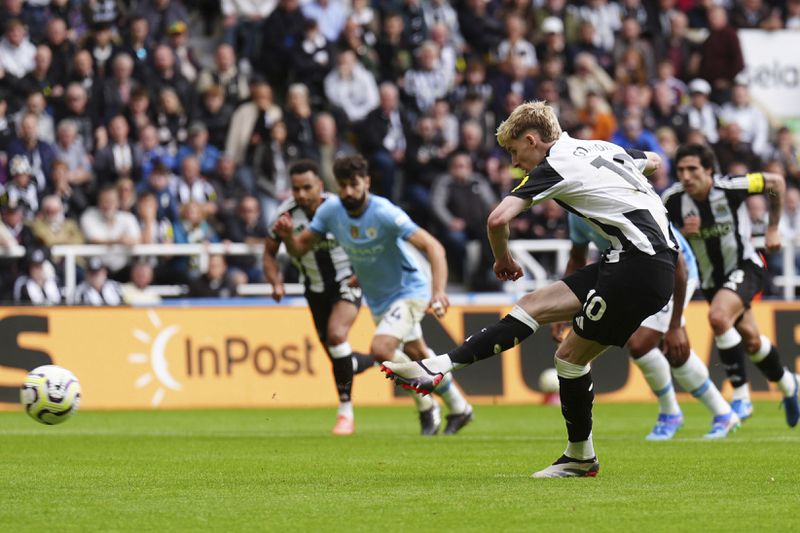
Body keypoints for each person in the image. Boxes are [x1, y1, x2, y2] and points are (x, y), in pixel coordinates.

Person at [382, 101, 677, 477]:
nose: (515, 163)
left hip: (638, 265)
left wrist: (502, 259)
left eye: (515, 151)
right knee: (532, 304)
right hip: (633, 259)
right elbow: (653, 160)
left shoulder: (556, 164)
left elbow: (497, 219)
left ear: (533, 140)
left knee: (570, 358)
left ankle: (580, 458)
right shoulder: (606, 147)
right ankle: (439, 366)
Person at [274, 154, 473, 436]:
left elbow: (434, 247)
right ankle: (460, 406)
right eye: (342, 185)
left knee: (381, 350)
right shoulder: (331, 212)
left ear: (366, 182)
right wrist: (286, 238)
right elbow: (300, 248)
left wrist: (438, 291)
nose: (348, 192)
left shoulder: (384, 212)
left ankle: (426, 403)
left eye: (354, 184)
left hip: (410, 289)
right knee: (418, 354)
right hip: (379, 296)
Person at [553, 213, 738, 439]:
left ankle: (671, 413)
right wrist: (560, 309)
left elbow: (677, 258)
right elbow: (577, 258)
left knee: (640, 343)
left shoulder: (612, 200)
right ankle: (723, 413)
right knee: (675, 353)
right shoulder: (575, 214)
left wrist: (675, 324)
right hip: (638, 275)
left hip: (673, 270)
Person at [663, 143, 799, 426]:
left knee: (717, 316)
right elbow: (665, 240)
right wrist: (680, 233)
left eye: (693, 169)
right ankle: (789, 385)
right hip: (713, 280)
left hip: (745, 267)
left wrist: (773, 228)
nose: (686, 176)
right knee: (751, 341)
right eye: (681, 171)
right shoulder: (672, 201)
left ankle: (741, 398)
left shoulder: (731, 187)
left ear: (709, 170)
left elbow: (775, 182)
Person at [263, 159, 375, 435]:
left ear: (320, 186)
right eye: (295, 189)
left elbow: (370, 239)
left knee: (337, 335)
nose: (300, 195)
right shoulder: (285, 215)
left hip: (347, 281)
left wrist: (365, 269)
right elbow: (268, 253)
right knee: (341, 360)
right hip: (313, 290)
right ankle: (378, 358)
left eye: (306, 188)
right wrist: (276, 281)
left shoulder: (339, 209)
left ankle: (345, 413)